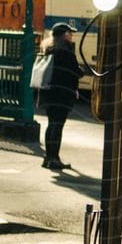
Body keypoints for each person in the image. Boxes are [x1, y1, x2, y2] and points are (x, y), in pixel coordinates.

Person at [35, 23, 81, 172]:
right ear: (64, 35)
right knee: (58, 126)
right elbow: (76, 72)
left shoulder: (48, 49)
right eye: (70, 33)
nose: (72, 36)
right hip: (62, 94)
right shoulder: (66, 50)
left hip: (49, 92)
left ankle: (49, 157)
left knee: (51, 124)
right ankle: (54, 158)